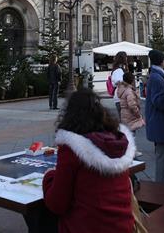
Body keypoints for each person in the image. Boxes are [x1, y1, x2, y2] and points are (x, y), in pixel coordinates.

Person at [42, 88, 136, 233]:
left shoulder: (72, 148)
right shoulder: (118, 143)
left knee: (40, 220)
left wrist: (49, 177)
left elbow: (57, 203)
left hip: (87, 227)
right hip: (124, 226)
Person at [144, 49, 164, 183]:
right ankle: (161, 187)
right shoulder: (157, 78)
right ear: (162, 61)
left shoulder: (155, 76)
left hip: (159, 123)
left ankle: (163, 185)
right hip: (160, 124)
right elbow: (160, 101)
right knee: (163, 158)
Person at [116, 71, 145, 156]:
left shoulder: (122, 89)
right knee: (131, 134)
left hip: (124, 113)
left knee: (128, 133)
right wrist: (137, 113)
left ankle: (128, 150)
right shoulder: (129, 91)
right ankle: (132, 151)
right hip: (130, 114)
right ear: (131, 80)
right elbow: (132, 105)